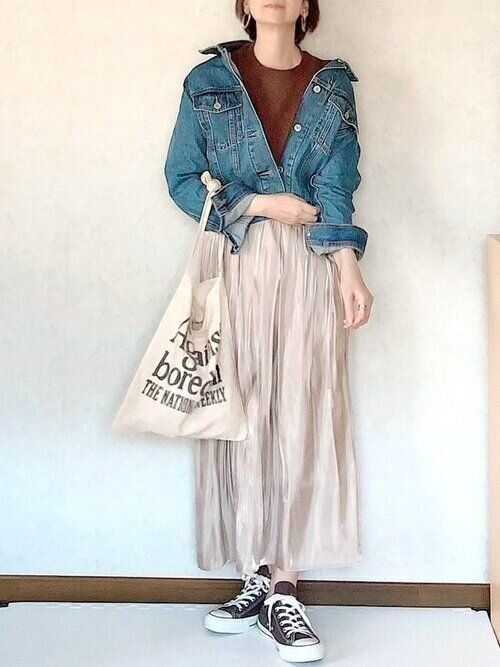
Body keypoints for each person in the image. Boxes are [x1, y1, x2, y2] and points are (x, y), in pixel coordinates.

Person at [164, 0, 373, 662]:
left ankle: (285, 584)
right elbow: (181, 179)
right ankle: (255, 572)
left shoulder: (331, 84)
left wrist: (348, 269)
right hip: (236, 256)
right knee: (242, 412)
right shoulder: (208, 81)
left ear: (308, 5)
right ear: (245, 5)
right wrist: (260, 203)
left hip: (310, 262)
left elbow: (337, 188)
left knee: (301, 411)